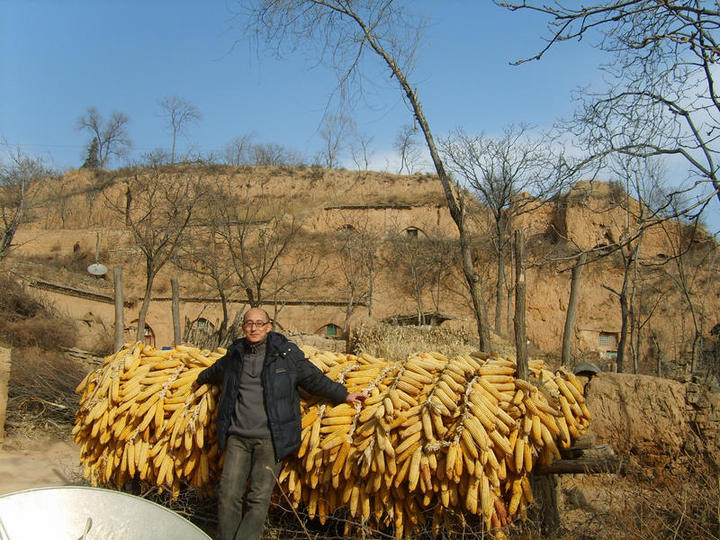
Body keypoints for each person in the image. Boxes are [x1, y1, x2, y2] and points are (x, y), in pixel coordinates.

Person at [195, 308, 366, 540]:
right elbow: (215, 371)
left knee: (258, 497)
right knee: (228, 494)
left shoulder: (286, 354)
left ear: (269, 326)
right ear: (244, 327)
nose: (254, 328)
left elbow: (313, 379)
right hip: (237, 436)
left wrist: (344, 395)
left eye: (259, 323)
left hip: (270, 438)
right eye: (249, 324)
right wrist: (198, 380)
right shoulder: (235, 353)